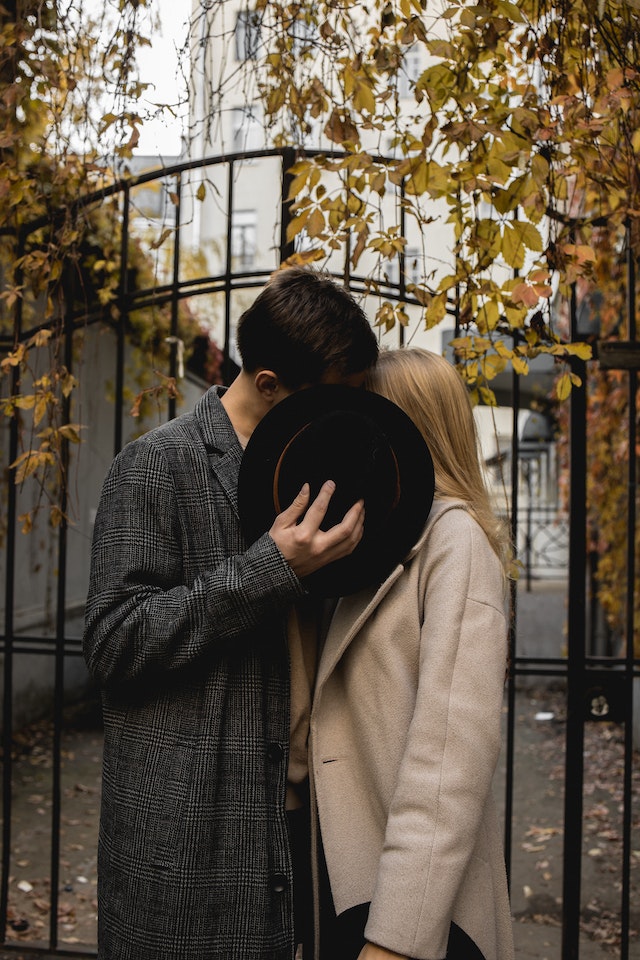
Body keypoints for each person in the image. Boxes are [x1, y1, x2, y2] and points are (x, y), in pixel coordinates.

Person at [82, 265, 379, 960]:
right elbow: (114, 643)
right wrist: (267, 571)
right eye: (337, 400)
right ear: (270, 385)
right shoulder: (155, 466)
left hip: (300, 824)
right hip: (187, 838)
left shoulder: (314, 467)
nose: (349, 418)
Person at [310, 347, 514, 960]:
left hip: (415, 911)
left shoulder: (455, 543)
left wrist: (395, 941)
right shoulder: (371, 535)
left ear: (410, 429)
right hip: (352, 879)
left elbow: (449, 761)